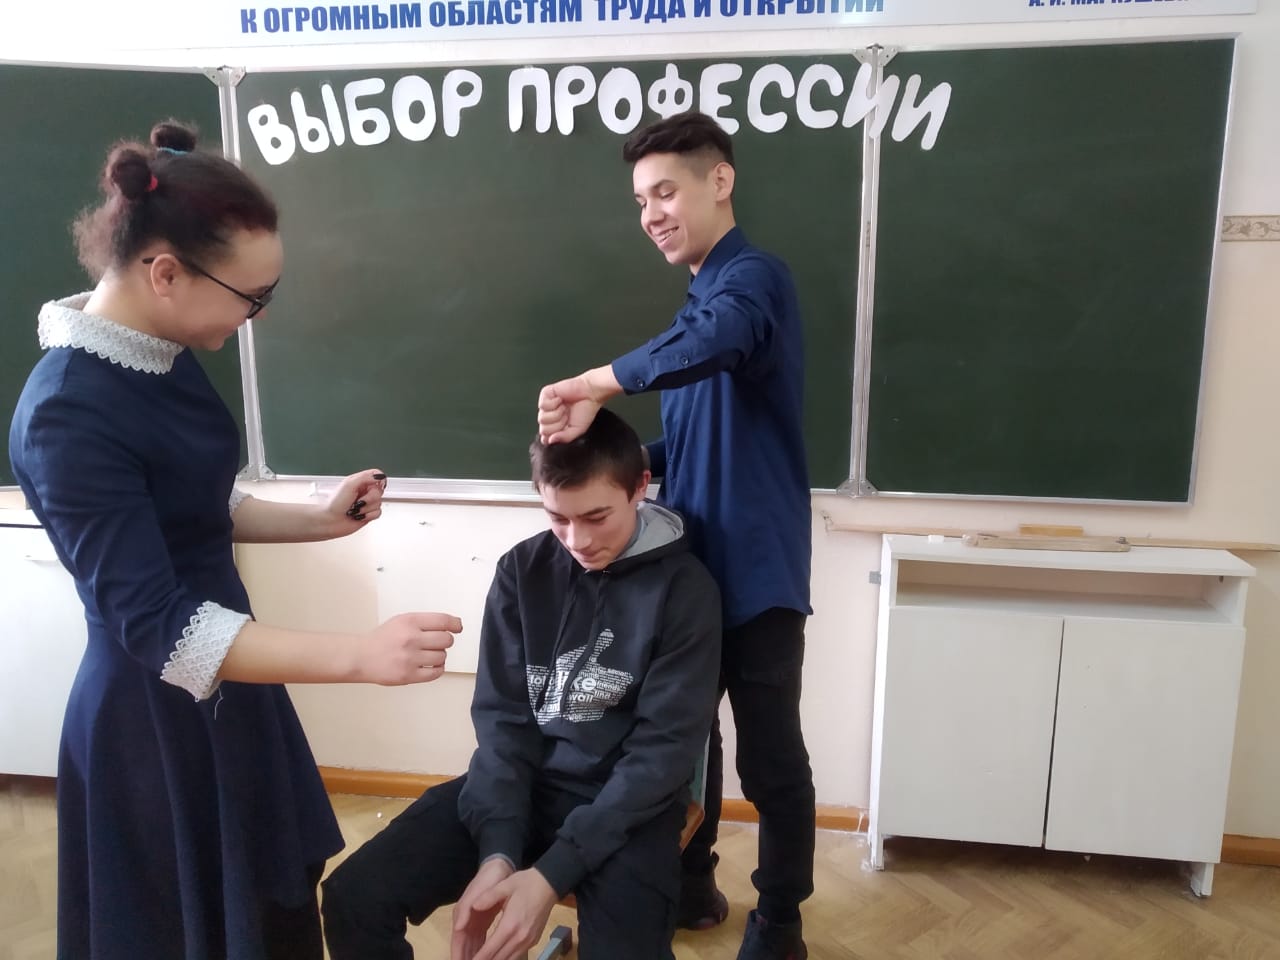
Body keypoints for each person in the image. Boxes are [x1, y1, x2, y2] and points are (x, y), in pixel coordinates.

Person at [7, 120, 462, 960]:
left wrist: (317, 520)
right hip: (154, 724)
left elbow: (194, 504)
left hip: (234, 684)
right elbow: (162, 628)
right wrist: (361, 656)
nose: (257, 315)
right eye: (252, 297)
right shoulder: (68, 411)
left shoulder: (160, 348)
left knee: (270, 914)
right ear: (166, 273)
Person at [536, 110, 815, 960]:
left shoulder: (750, 285)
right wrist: (608, 468)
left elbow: (718, 341)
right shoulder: (694, 314)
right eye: (640, 201)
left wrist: (596, 382)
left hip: (757, 577)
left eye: (665, 192)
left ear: (718, 181)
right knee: (686, 747)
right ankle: (693, 885)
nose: (652, 214)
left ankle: (780, 921)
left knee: (771, 760)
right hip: (686, 580)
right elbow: (687, 442)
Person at [321, 407, 721, 960]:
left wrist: (552, 874)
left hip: (627, 807)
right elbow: (504, 725)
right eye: (558, 518)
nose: (578, 540)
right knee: (353, 898)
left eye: (597, 517)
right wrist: (498, 854)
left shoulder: (685, 590)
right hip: (522, 786)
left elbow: (661, 756)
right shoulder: (521, 570)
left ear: (639, 487)